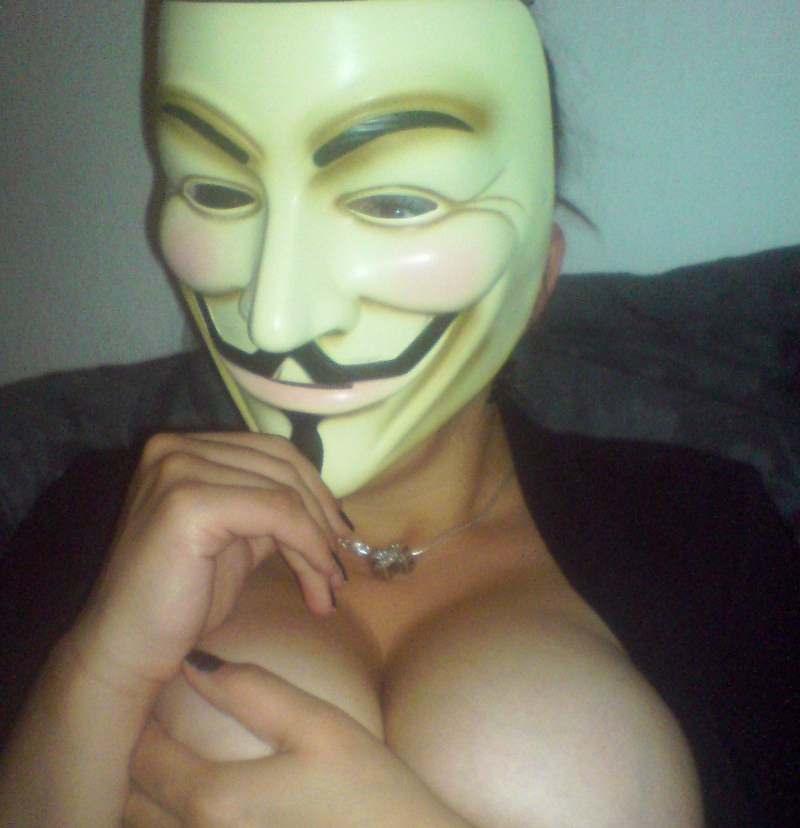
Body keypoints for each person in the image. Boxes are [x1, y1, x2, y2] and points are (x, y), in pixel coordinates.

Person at [0, 1, 797, 826]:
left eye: (392, 204)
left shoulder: (710, 529)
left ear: (540, 274)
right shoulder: (108, 520)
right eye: (217, 191)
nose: (277, 319)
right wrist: (97, 668)